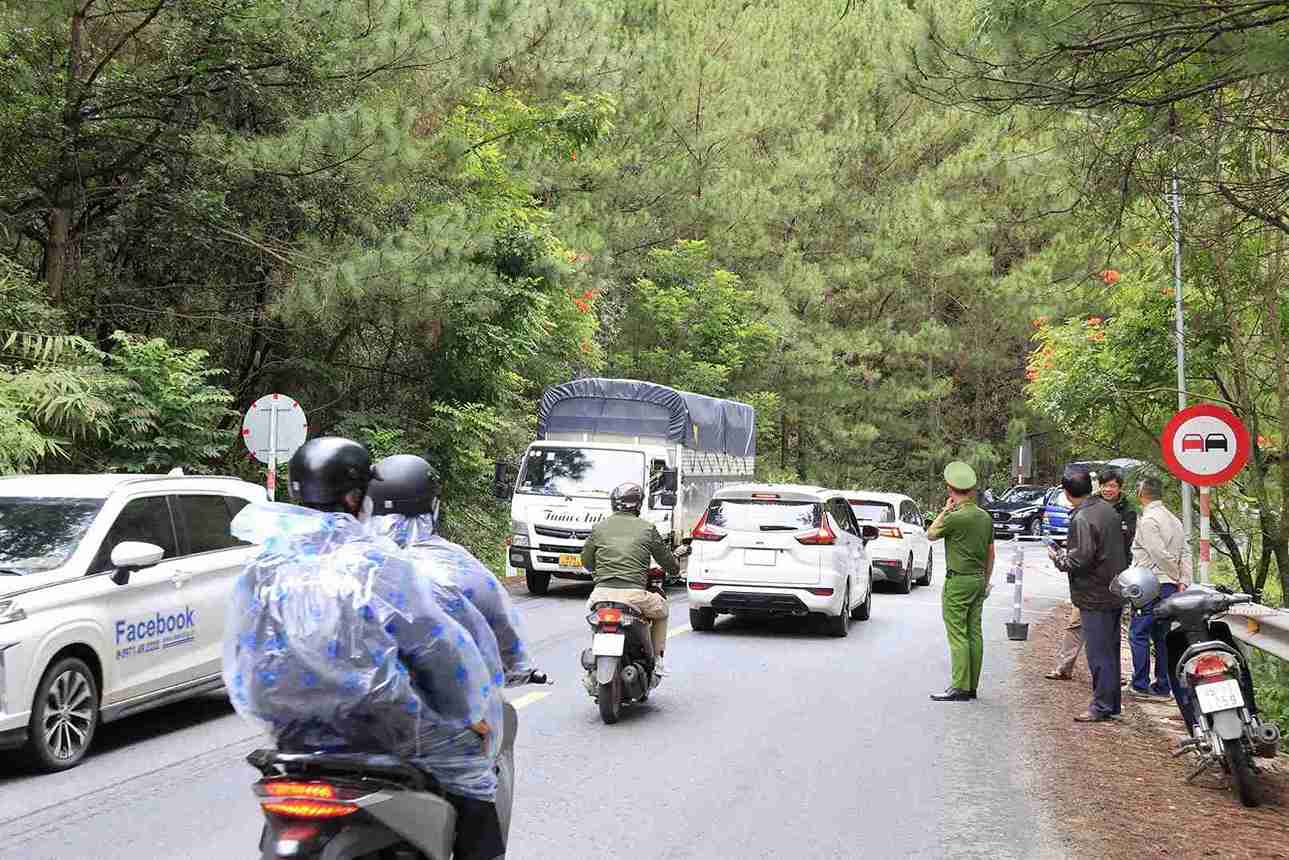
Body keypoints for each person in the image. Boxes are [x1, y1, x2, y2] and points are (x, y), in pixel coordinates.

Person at [222, 437, 508, 860]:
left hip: (289, 732)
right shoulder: (378, 562)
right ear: (357, 496)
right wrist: (469, 712)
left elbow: (244, 651)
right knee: (471, 770)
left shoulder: (264, 563)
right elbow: (434, 647)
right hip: (377, 729)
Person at [366, 453, 534, 687]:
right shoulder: (459, 566)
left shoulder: (353, 565)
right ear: (433, 507)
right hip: (452, 706)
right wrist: (519, 667)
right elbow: (504, 629)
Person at [1049, 464, 1127, 723]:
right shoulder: (1107, 510)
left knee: (1099, 654)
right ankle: (1112, 703)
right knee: (1111, 650)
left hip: (1094, 593)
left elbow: (1081, 558)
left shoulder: (1083, 517)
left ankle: (1102, 706)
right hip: (1114, 589)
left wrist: (1058, 557)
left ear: (1067, 492)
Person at [581, 482, 680, 676]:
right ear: (638, 505)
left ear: (613, 504)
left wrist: (597, 573)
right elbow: (666, 561)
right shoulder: (647, 528)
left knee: (593, 618)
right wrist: (675, 569)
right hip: (634, 596)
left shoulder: (599, 527)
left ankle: (594, 659)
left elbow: (586, 560)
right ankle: (658, 660)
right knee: (662, 610)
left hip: (600, 594)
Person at [926, 461, 995, 702]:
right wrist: (986, 581)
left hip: (958, 581)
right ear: (972, 489)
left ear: (950, 489)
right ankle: (972, 685)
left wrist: (945, 511)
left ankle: (959, 686)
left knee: (957, 633)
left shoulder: (955, 517)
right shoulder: (985, 517)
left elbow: (931, 534)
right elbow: (990, 553)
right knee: (974, 631)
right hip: (978, 580)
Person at [1127, 476, 1190, 699]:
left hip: (1151, 582)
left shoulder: (1148, 520)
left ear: (1141, 493)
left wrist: (1172, 573)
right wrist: (1182, 579)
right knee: (1162, 636)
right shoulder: (1174, 519)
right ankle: (1163, 685)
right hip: (1170, 586)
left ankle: (1141, 683)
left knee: (1138, 633)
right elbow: (1184, 552)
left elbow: (1158, 553)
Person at [1098, 468, 1139, 563]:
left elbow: (1130, 538)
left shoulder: (1128, 510)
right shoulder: (1091, 506)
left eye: (1112, 486)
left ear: (1120, 488)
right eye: (1104, 486)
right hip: (1095, 564)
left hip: (1120, 561)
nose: (1107, 489)